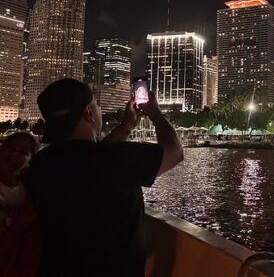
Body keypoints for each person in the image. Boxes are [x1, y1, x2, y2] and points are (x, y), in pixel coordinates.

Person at [26, 78, 183, 277]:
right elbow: (175, 152)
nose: (99, 110)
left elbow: (91, 160)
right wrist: (155, 114)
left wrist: (126, 126)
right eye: (96, 105)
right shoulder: (115, 161)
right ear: (88, 113)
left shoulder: (40, 164)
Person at [0, 132, 40, 277]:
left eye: (22, 152)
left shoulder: (32, 189)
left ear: (30, 160)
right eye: (8, 148)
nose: (13, 154)